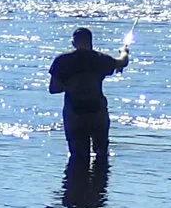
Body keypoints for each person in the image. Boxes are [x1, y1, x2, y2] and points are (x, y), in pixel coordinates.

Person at [48, 26, 129, 169]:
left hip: (74, 114)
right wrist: (124, 52)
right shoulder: (100, 59)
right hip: (98, 113)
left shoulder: (62, 61)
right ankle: (99, 188)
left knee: (78, 157)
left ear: (73, 43)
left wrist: (72, 85)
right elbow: (122, 62)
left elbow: (53, 89)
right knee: (101, 154)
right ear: (91, 42)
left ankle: (76, 187)